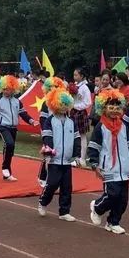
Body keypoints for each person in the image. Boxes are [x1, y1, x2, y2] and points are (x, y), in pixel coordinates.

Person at [87, 89, 129, 234]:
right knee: (112, 194)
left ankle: (113, 222)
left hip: (124, 168)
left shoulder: (124, 126)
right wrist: (94, 164)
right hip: (108, 167)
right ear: (104, 108)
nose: (114, 110)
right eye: (111, 107)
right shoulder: (100, 127)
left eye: (117, 107)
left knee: (123, 199)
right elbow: (94, 147)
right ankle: (97, 207)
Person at [38, 87, 79, 221]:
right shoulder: (50, 120)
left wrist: (77, 155)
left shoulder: (71, 121)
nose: (63, 107)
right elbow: (47, 137)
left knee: (67, 187)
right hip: (54, 160)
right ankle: (43, 201)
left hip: (67, 161)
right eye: (60, 104)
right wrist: (49, 152)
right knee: (52, 184)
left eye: (65, 105)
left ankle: (64, 211)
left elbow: (76, 138)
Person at [0, 74, 39, 181]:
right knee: (9, 143)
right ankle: (5, 168)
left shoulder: (17, 101)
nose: (6, 91)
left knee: (10, 149)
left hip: (13, 128)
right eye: (4, 89)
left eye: (8, 89)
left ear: (13, 89)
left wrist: (31, 121)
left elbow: (23, 114)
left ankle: (7, 174)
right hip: (2, 126)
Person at [73, 68, 93, 167]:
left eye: (76, 75)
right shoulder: (75, 86)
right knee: (75, 135)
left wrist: (76, 106)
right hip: (73, 112)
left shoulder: (85, 88)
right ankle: (76, 157)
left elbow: (88, 102)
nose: (74, 77)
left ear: (82, 76)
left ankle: (82, 158)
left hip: (80, 113)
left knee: (82, 136)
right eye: (74, 75)